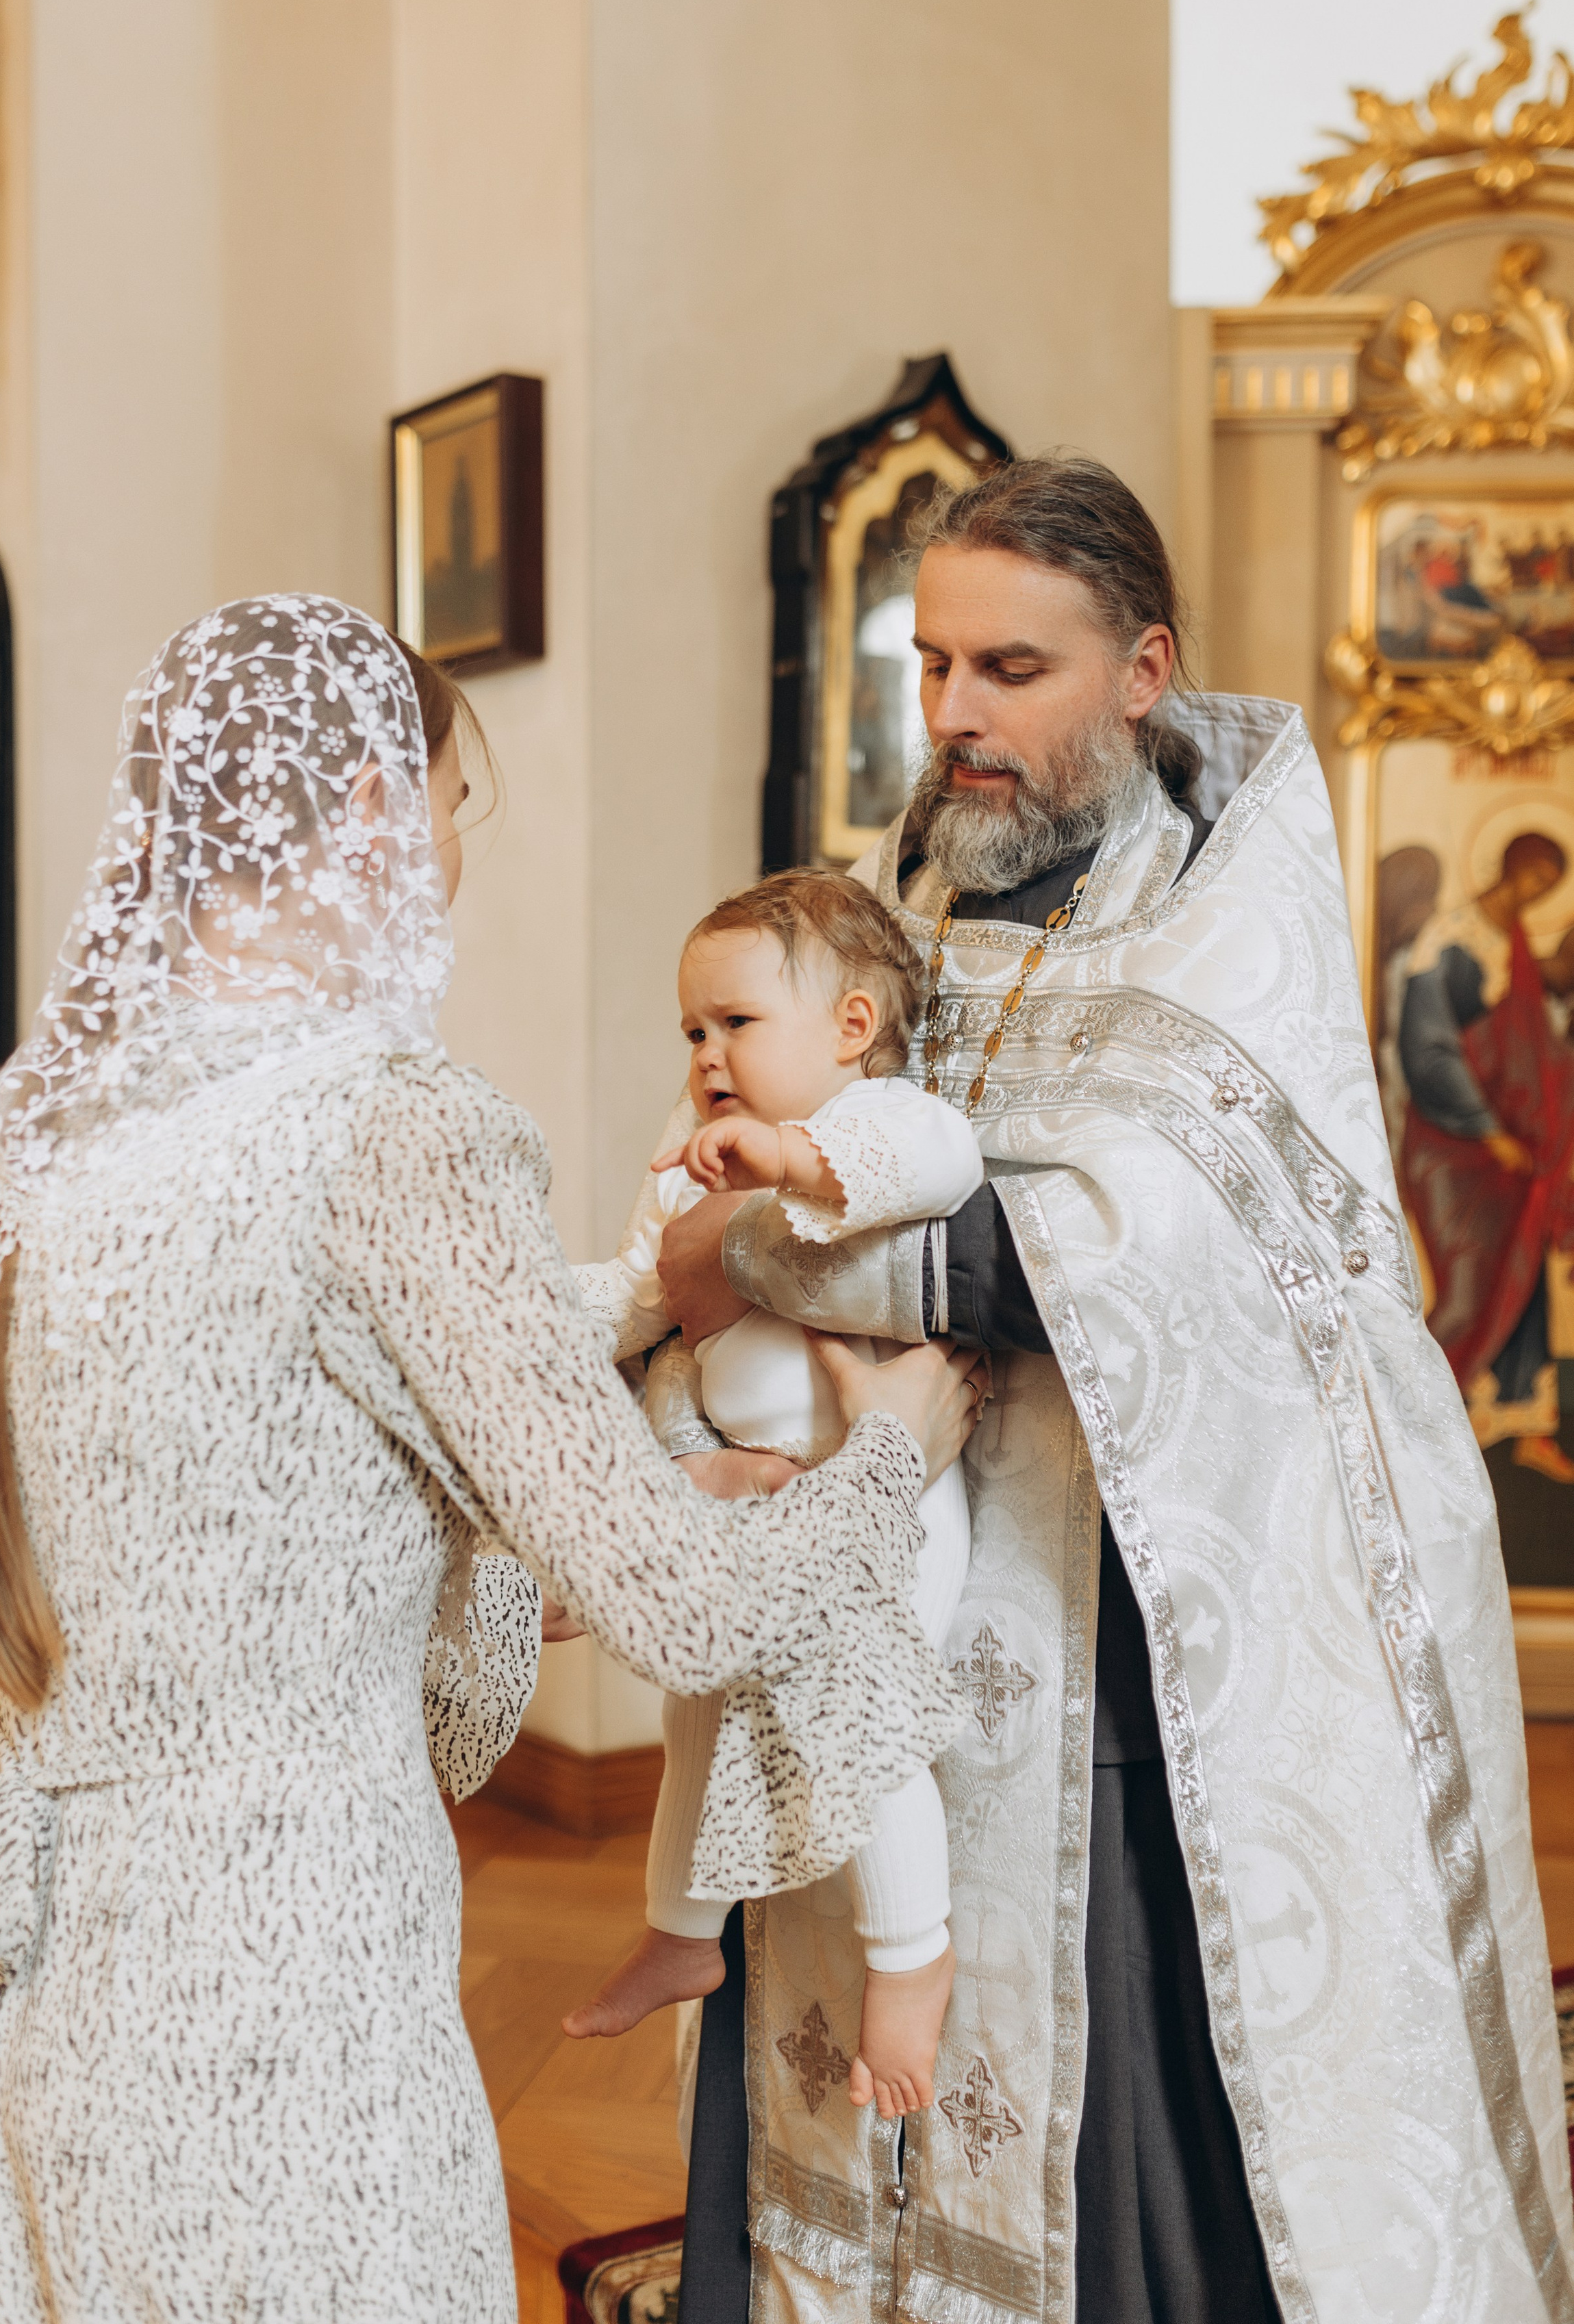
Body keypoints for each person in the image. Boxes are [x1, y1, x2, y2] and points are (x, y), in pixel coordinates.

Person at [0, 595, 983, 2324]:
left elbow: (280, 1436)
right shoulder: (391, 1123)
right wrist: (889, 1457)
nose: (450, 852)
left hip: (71, 1963)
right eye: (449, 808)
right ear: (359, 816)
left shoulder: (72, 1126)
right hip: (282, 1988)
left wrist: (633, 1314)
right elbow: (692, 1614)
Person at [655, 459, 1574, 2324]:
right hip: (891, 1562)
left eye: (1016, 669)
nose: (959, 719)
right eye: (936, 670)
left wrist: (736, 1259)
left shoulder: (1227, 915)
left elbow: (1108, 1260)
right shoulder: (910, 895)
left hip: (1126, 1644)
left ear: (1144, 666)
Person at [564, 872, 984, 2114]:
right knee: (701, 1699)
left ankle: (912, 1957)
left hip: (885, 1502)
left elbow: (936, 1162)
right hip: (751, 1504)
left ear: (851, 1028)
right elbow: (646, 1295)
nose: (704, 1057)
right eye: (692, 1032)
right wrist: (543, 1332)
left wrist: (789, 1161)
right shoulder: (689, 1158)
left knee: (864, 1722)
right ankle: (681, 1929)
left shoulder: (880, 1118)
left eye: (735, 1025)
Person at [1397, 831, 1574, 1485]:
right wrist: (1486, 1128)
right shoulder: (1452, 940)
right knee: (1469, 1284)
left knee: (1524, 1278)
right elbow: (1431, 1049)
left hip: (1516, 1154)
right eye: (1535, 877)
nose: (1539, 892)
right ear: (1511, 867)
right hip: (1457, 1150)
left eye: (1550, 885)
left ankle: (1524, 1422)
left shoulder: (1519, 944)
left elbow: (1533, 1036)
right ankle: (1426, 1424)